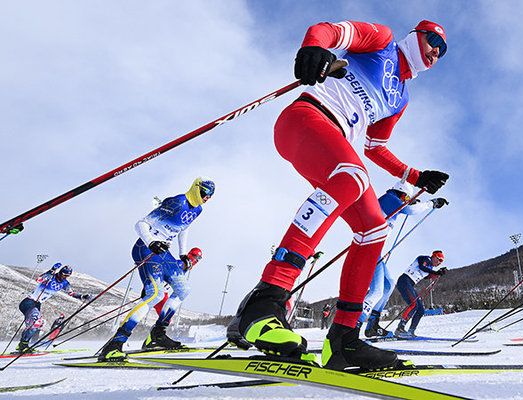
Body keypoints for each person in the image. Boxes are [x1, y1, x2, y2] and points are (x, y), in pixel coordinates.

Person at [226, 19, 450, 371]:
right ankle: (266, 302)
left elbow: (376, 147)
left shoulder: (401, 98)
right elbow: (329, 30)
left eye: (443, 49)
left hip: (339, 142)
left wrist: (417, 175)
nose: (436, 50)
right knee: (353, 176)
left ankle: (344, 340)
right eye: (433, 39)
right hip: (307, 118)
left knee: (375, 227)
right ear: (415, 34)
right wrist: (314, 47)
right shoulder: (383, 41)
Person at [98, 177, 212, 361]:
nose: (207, 198)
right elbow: (140, 224)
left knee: (183, 289)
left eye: (210, 196)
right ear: (196, 188)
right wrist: (151, 242)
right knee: (155, 295)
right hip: (146, 248)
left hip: (164, 252)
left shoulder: (198, 209)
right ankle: (115, 344)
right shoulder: (177, 202)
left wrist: (183, 253)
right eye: (205, 193)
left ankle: (157, 335)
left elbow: (184, 228)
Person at [361, 180, 448, 337]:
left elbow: (407, 206)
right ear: (401, 193)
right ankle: (351, 327)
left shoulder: (395, 201)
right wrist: (431, 203)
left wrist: (437, 273)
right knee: (376, 291)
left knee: (388, 285)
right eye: (406, 198)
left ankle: (372, 325)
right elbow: (409, 210)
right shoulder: (390, 197)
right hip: (368, 246)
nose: (405, 201)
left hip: (376, 250)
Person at [16, 264, 93, 353]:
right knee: (37, 322)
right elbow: (38, 279)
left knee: (37, 325)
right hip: (29, 302)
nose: (64, 277)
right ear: (60, 272)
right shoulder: (50, 277)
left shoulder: (65, 283)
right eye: (63, 274)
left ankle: (23, 345)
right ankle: (23, 345)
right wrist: (51, 270)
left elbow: (71, 293)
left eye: (67, 276)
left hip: (37, 304)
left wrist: (83, 296)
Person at [394, 250, 447, 338]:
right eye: (439, 260)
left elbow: (428, 276)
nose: (439, 263)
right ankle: (400, 329)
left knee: (420, 309)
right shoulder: (424, 258)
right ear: (434, 257)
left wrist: (439, 273)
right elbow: (422, 267)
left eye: (441, 261)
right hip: (405, 280)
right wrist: (436, 272)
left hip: (410, 284)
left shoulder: (430, 268)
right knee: (414, 304)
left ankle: (411, 331)